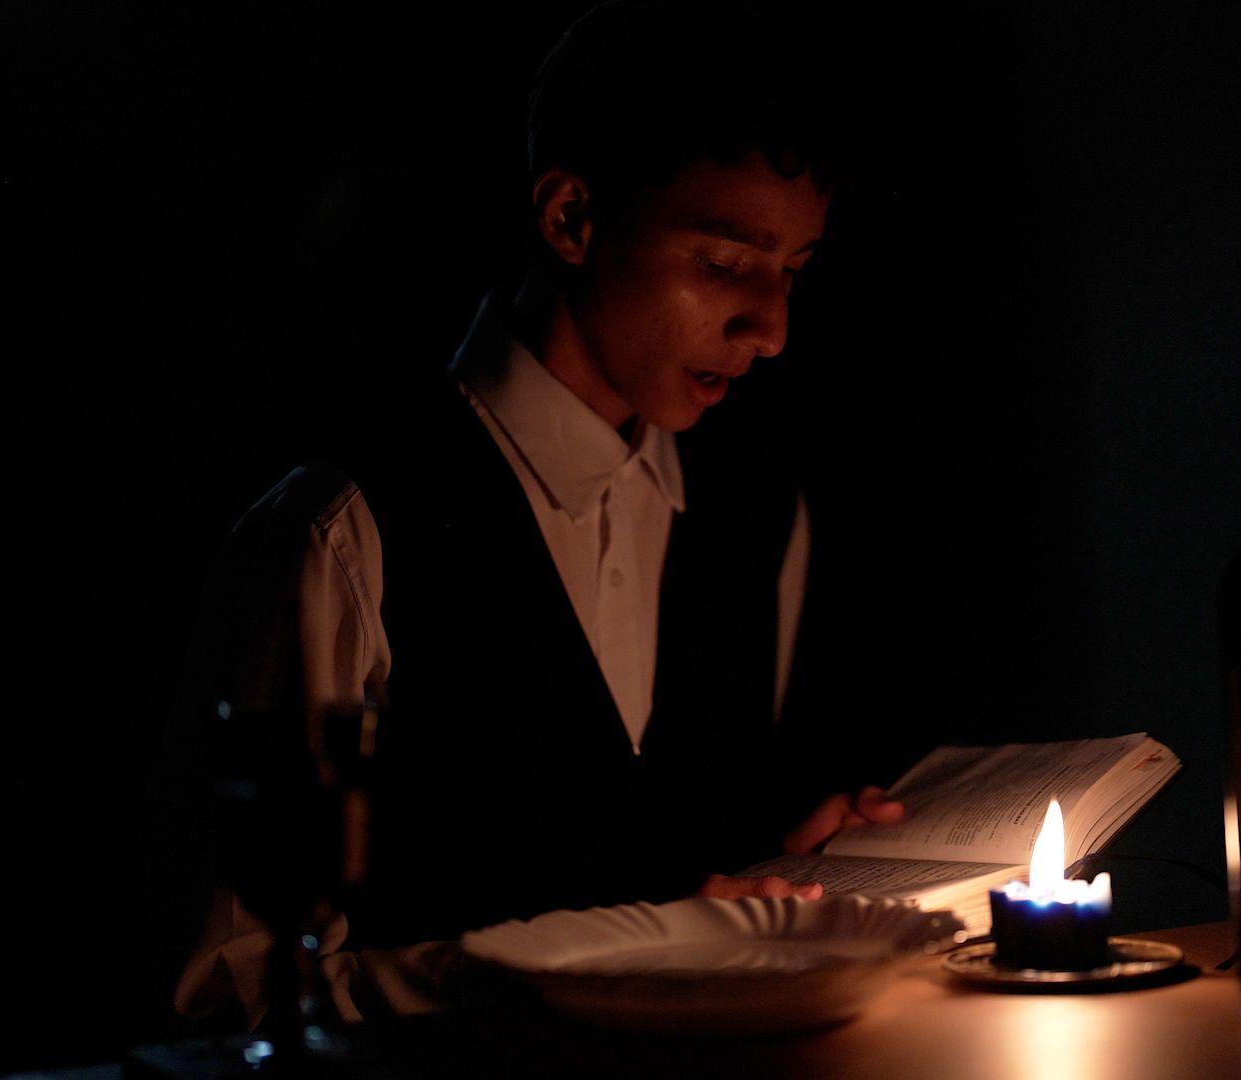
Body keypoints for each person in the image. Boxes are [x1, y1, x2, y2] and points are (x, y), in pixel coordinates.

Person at [153, 0, 905, 1027]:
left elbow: (654, 858)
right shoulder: (350, 529)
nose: (769, 328)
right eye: (724, 264)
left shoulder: (760, 517)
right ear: (571, 221)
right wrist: (617, 952)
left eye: (794, 272)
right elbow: (228, 991)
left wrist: (782, 879)